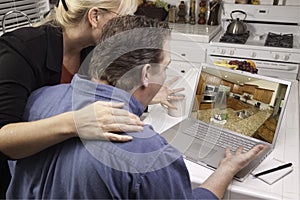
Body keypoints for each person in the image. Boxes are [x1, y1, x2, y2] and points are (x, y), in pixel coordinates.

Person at [7, 15, 267, 199]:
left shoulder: (37, 101)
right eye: (164, 67)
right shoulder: (149, 152)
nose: (164, 75)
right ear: (145, 75)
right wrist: (226, 169)